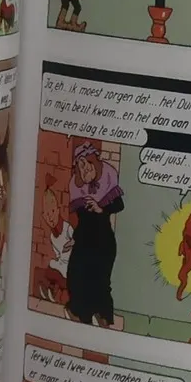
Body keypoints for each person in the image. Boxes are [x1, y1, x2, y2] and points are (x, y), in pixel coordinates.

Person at [64, 140, 123, 328]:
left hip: (103, 241)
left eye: (88, 163)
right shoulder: (76, 186)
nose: (85, 169)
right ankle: (83, 319)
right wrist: (74, 239)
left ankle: (103, 321)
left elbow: (119, 205)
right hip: (83, 242)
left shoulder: (108, 176)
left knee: (100, 283)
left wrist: (101, 209)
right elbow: (83, 222)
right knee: (75, 278)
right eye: (81, 166)